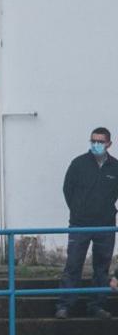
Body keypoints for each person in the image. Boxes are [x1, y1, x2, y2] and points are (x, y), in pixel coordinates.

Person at [55, 127, 118, 319]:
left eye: (100, 141)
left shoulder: (115, 167)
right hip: (80, 225)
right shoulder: (79, 164)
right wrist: (78, 211)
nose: (96, 144)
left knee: (101, 268)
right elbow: (68, 189)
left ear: (109, 144)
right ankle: (64, 305)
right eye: (93, 141)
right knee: (73, 265)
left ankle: (96, 305)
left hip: (105, 226)